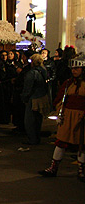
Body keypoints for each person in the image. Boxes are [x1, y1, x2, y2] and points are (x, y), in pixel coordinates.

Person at [40, 49, 85, 180]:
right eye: (73, 68)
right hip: (67, 117)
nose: (74, 71)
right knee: (60, 143)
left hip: (81, 118)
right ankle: (53, 168)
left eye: (77, 68)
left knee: (82, 145)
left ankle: (81, 170)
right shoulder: (68, 84)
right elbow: (60, 100)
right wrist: (60, 113)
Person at [20, 54, 51, 145]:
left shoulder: (32, 73)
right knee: (38, 119)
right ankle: (37, 138)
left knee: (30, 120)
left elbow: (28, 87)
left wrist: (24, 97)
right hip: (42, 97)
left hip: (33, 98)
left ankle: (32, 139)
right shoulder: (44, 71)